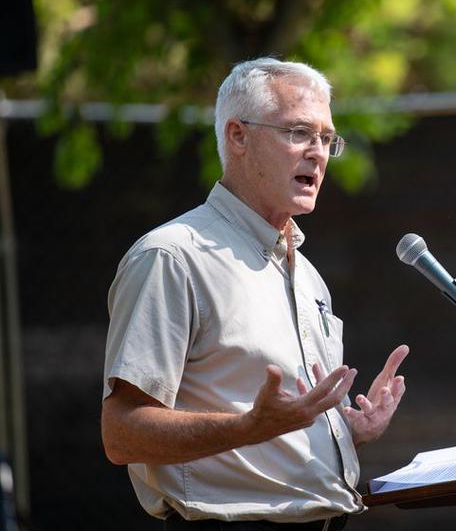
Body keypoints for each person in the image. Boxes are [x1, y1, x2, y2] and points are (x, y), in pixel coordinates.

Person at [101, 58, 409, 530]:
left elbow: (278, 433)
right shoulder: (171, 256)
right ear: (238, 136)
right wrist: (249, 428)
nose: (319, 153)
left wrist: (345, 432)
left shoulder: (304, 272)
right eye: (299, 133)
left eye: (327, 139)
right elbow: (121, 433)